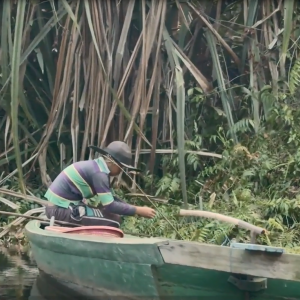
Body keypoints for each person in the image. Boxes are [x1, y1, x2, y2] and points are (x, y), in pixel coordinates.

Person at [44, 141, 156, 228]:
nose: (121, 172)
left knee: (111, 215)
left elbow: (111, 199)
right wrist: (138, 210)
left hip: (62, 207)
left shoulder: (97, 167)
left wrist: (136, 209)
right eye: (121, 168)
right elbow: (110, 205)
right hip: (60, 210)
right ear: (113, 163)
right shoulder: (99, 174)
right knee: (114, 221)